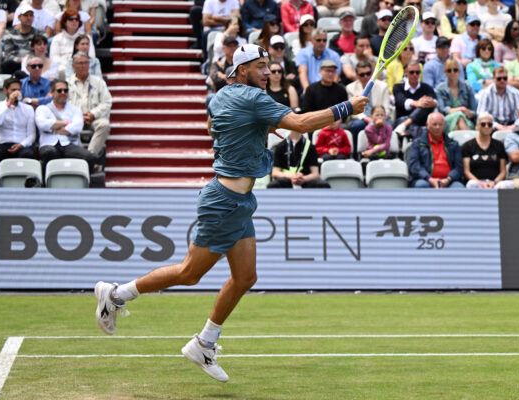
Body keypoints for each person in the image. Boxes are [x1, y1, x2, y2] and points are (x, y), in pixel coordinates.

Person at [93, 43, 367, 382]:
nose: (268, 72)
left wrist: (254, 127)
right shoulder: (253, 99)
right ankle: (116, 295)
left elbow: (213, 128)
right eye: (260, 66)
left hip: (240, 201)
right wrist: (347, 107)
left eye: (270, 66)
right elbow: (300, 122)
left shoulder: (221, 97)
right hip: (224, 201)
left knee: (245, 277)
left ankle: (204, 342)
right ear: (240, 71)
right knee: (190, 273)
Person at [36, 79, 97, 174]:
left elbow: (77, 127)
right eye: (59, 90)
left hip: (68, 144)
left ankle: (82, 184)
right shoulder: (43, 109)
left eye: (66, 90)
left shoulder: (75, 109)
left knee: (90, 157)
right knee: (50, 153)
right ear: (52, 93)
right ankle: (45, 185)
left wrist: (53, 128)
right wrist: (66, 123)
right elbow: (43, 125)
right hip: (48, 144)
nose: (63, 93)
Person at [0, 77, 37, 178]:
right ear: (5, 91)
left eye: (18, 90)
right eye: (13, 90)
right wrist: (8, 105)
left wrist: (21, 144)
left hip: (21, 144)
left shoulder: (28, 109)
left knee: (28, 154)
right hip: (3, 143)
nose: (17, 92)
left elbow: (31, 135)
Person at [67, 51, 112, 158]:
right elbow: (64, 104)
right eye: (80, 63)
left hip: (93, 118)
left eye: (86, 63)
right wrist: (78, 116)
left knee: (104, 125)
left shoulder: (99, 82)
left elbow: (107, 102)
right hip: (73, 119)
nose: (83, 66)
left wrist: (92, 114)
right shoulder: (67, 83)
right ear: (73, 66)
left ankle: (89, 156)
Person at [408, 112, 465, 188]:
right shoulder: (418, 144)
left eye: (440, 124)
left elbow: (459, 168)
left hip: (450, 180)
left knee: (459, 188)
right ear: (427, 125)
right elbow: (414, 166)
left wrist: (448, 179)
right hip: (425, 180)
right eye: (434, 124)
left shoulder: (453, 144)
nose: (437, 127)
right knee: (421, 185)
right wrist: (430, 179)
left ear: (444, 126)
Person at [462, 112, 512, 189]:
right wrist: (481, 183)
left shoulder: (499, 145)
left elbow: (503, 171)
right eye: (483, 124)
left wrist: (494, 182)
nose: (486, 126)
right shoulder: (468, 146)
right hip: (476, 183)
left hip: (495, 183)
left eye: (490, 124)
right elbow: (466, 171)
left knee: (509, 184)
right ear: (477, 126)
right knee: (471, 184)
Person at [393, 61, 438, 139]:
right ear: (405, 72)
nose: (415, 75)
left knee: (427, 104)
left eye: (417, 72)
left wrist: (424, 103)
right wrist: (416, 103)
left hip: (419, 122)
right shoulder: (398, 87)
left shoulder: (426, 87)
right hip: (403, 119)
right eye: (412, 72)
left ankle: (406, 123)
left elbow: (434, 102)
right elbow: (401, 102)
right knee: (425, 105)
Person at [346, 60, 391, 135]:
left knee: (388, 125)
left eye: (368, 73)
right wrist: (367, 119)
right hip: (362, 118)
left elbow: (386, 109)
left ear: (372, 73)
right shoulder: (350, 88)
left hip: (380, 117)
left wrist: (378, 118)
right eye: (362, 74)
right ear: (357, 75)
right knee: (357, 125)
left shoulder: (383, 86)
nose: (366, 76)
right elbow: (352, 111)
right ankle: (356, 147)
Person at [436, 58, 476, 132]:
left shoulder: (467, 87)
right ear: (445, 72)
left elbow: (474, 110)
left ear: (459, 71)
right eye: (449, 70)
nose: (452, 73)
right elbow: (442, 110)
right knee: (459, 116)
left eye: (455, 70)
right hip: (447, 120)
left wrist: (469, 113)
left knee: (458, 124)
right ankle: (469, 142)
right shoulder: (440, 89)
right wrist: (461, 109)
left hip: (466, 120)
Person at [477, 66, 519, 130]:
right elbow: (481, 115)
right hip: (491, 126)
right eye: (499, 78)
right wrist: (496, 125)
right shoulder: (485, 93)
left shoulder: (515, 93)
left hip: (512, 125)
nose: (502, 81)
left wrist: (514, 126)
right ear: (493, 79)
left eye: (505, 78)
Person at [296, 28, 342, 93]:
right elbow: (302, 72)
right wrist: (308, 91)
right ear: (311, 40)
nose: (322, 43)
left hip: (328, 91)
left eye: (324, 40)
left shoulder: (334, 55)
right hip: (310, 90)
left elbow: (335, 78)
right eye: (318, 40)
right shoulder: (303, 53)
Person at [0, 4, 41, 74]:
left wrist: (29, 60)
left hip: (33, 63)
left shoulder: (39, 34)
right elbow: (8, 55)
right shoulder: (10, 34)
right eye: (26, 15)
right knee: (7, 64)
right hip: (16, 64)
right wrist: (21, 60)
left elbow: (42, 53)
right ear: (19, 17)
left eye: (31, 15)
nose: (29, 18)